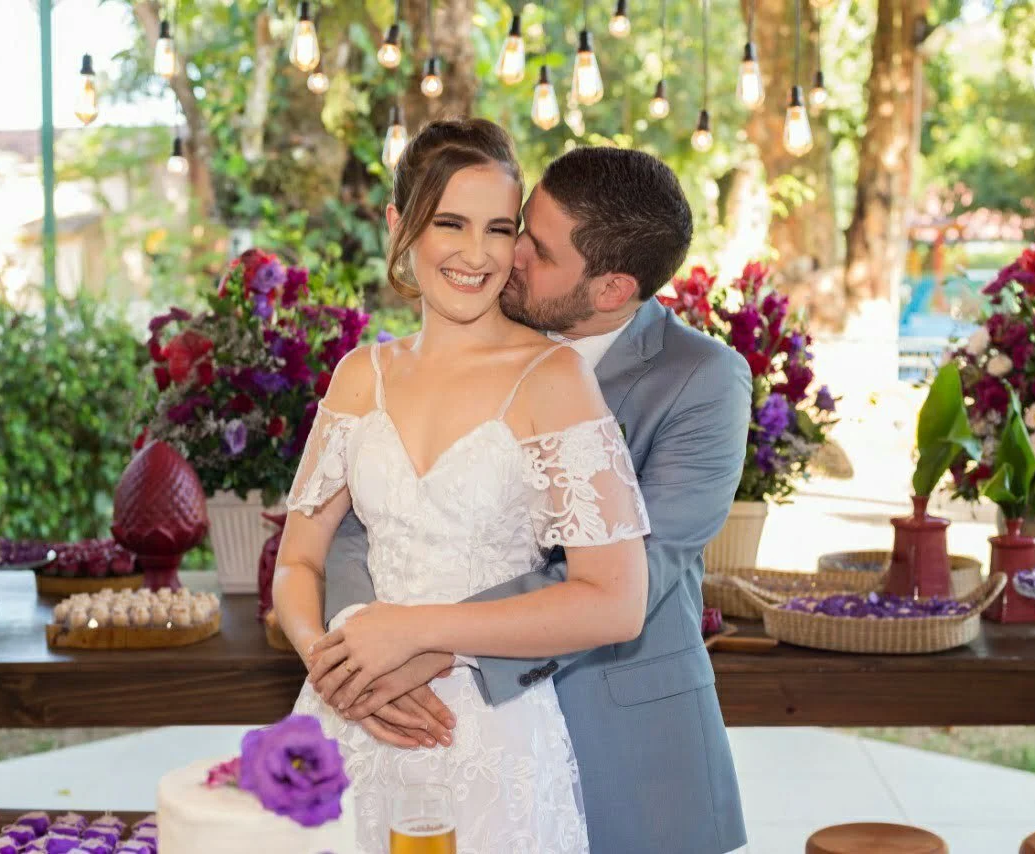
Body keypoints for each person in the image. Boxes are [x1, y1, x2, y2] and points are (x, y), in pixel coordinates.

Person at [304, 132, 753, 854]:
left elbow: (642, 568)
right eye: (519, 226)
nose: (502, 254)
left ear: (611, 288)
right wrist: (362, 648)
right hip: (420, 719)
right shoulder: (455, 340)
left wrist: (427, 637)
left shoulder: (703, 382)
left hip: (623, 742)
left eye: (535, 249)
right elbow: (365, 524)